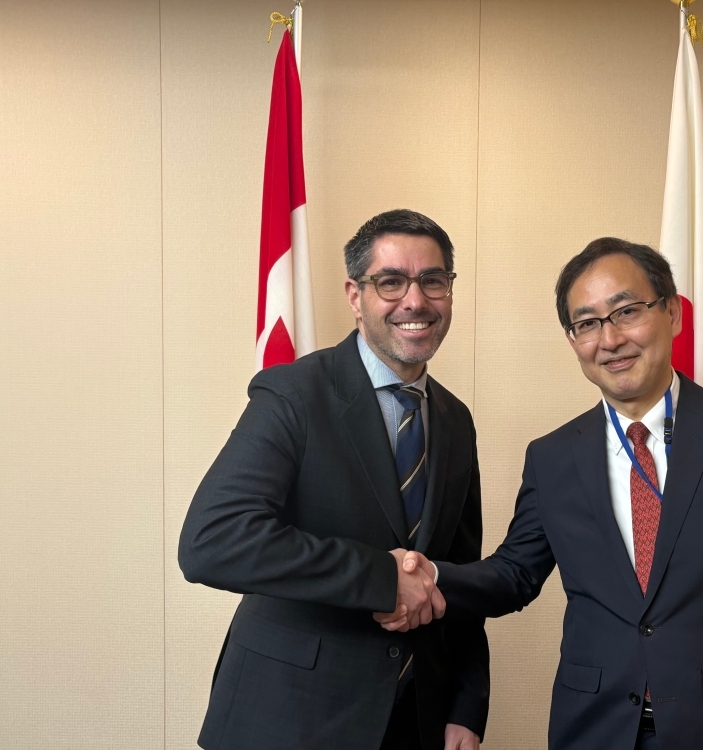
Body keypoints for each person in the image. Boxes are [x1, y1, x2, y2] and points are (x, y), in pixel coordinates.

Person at [381, 237, 703, 750]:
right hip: (594, 729)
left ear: (672, 313)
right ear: (573, 339)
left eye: (627, 312)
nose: (611, 339)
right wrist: (430, 575)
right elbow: (514, 574)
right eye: (588, 323)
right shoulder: (552, 457)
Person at [179, 209, 488, 750]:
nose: (415, 300)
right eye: (390, 282)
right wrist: (380, 577)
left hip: (415, 717)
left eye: (433, 280)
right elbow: (213, 541)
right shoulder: (292, 394)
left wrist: (466, 705)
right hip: (289, 717)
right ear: (355, 296)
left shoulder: (455, 418)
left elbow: (460, 574)